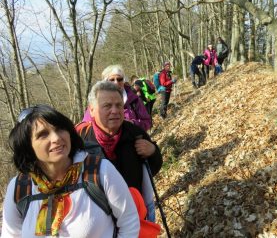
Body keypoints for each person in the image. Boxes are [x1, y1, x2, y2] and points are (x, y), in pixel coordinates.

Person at [2, 104, 140, 237]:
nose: (56, 138)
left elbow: (129, 222)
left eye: (60, 129)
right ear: (27, 147)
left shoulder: (100, 171)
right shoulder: (19, 188)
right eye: (43, 135)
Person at [76, 81, 163, 222]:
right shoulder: (80, 142)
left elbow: (153, 168)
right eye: (107, 106)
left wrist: (153, 151)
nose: (115, 111)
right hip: (98, 222)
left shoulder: (135, 133)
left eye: (119, 105)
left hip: (135, 215)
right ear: (91, 110)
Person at [82, 64, 151, 131]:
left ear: (124, 81)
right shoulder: (97, 100)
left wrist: (133, 124)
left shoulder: (134, 100)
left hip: (131, 140)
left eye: (119, 79)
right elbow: (85, 127)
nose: (116, 82)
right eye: (112, 79)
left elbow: (147, 122)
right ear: (105, 82)